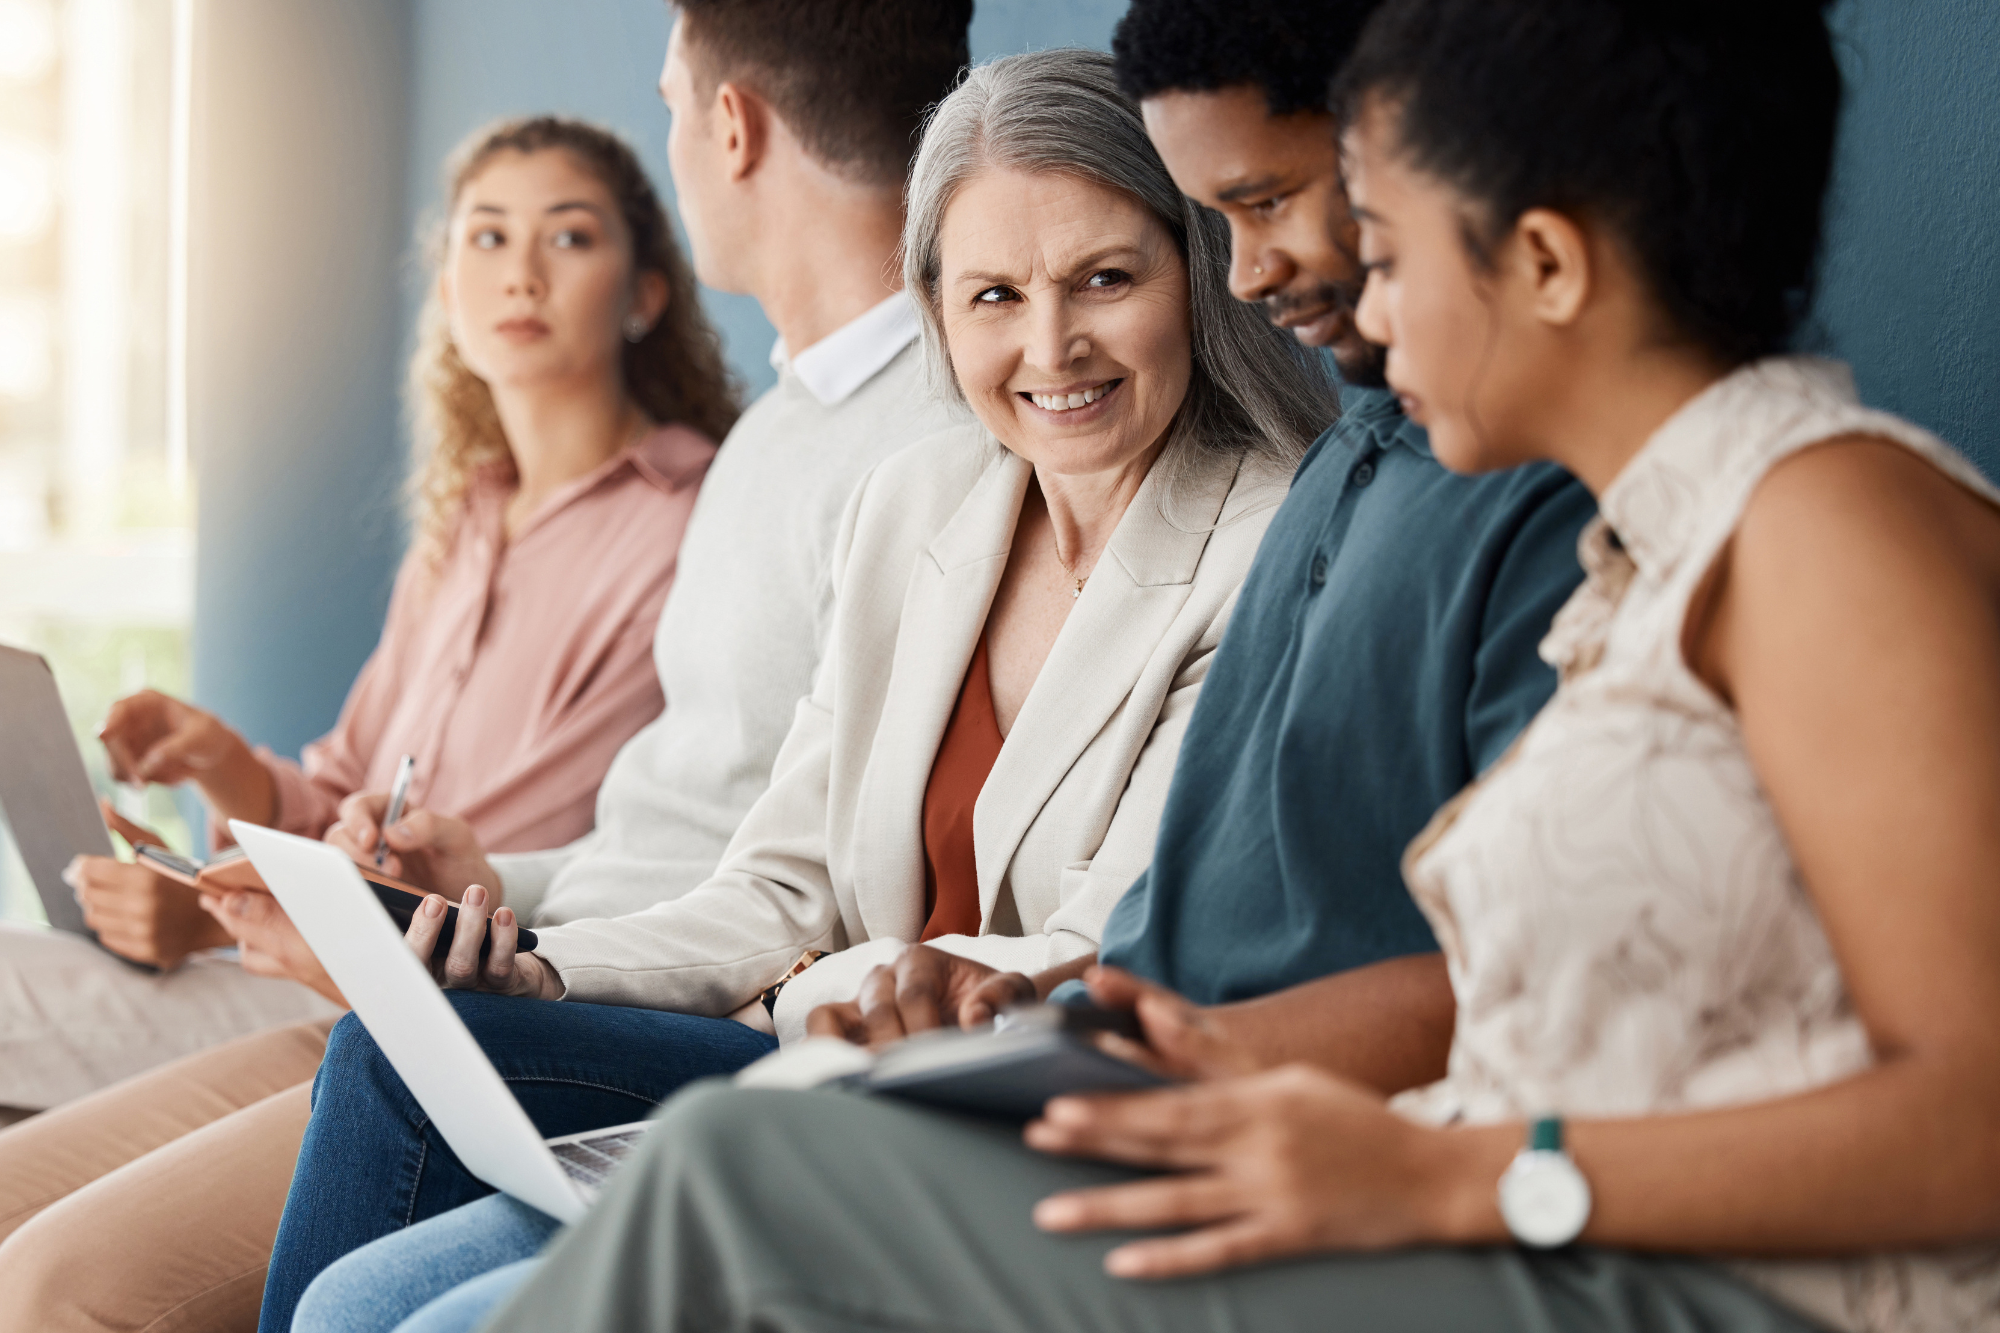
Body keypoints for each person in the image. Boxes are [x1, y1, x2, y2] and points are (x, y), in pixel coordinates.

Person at [472, 2, 2000, 1331]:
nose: (1359, 309)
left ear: (1539, 260)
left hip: (1634, 1276)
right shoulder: (1654, 553)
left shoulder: (1828, 519)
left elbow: (1977, 1115)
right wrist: (1175, 1038)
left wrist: (1449, 1171)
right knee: (761, 1153)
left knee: (740, 1174)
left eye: (1387, 250)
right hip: (1508, 1219)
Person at [286, 8, 1606, 1327]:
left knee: (405, 1293)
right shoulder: (914, 500)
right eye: (994, 298)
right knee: (364, 1275)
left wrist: (801, 995)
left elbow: (1118, 945)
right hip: (833, 1065)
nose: (1050, 348)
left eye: (1104, 281)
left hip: (967, 1082)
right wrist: (551, 964)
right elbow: (784, 871)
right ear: (935, 313)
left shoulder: (1277, 534)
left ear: (1192, 277)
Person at [0, 0, 968, 1317]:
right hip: (504, 962)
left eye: (671, 101)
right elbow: (687, 827)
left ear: (729, 127)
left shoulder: (926, 445)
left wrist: (505, 938)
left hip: (593, 1004)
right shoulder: (776, 436)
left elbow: (795, 890)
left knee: (65, 1284)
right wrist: (473, 880)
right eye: (487, 239)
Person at [0, 117, 735, 1118]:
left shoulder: (692, 520)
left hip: (448, 1006)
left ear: (646, 293)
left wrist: (214, 916)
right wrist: (222, 761)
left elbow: (510, 850)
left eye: (568, 237)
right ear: (445, 289)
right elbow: (355, 797)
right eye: (485, 237)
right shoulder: (465, 521)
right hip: (307, 968)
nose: (520, 273)